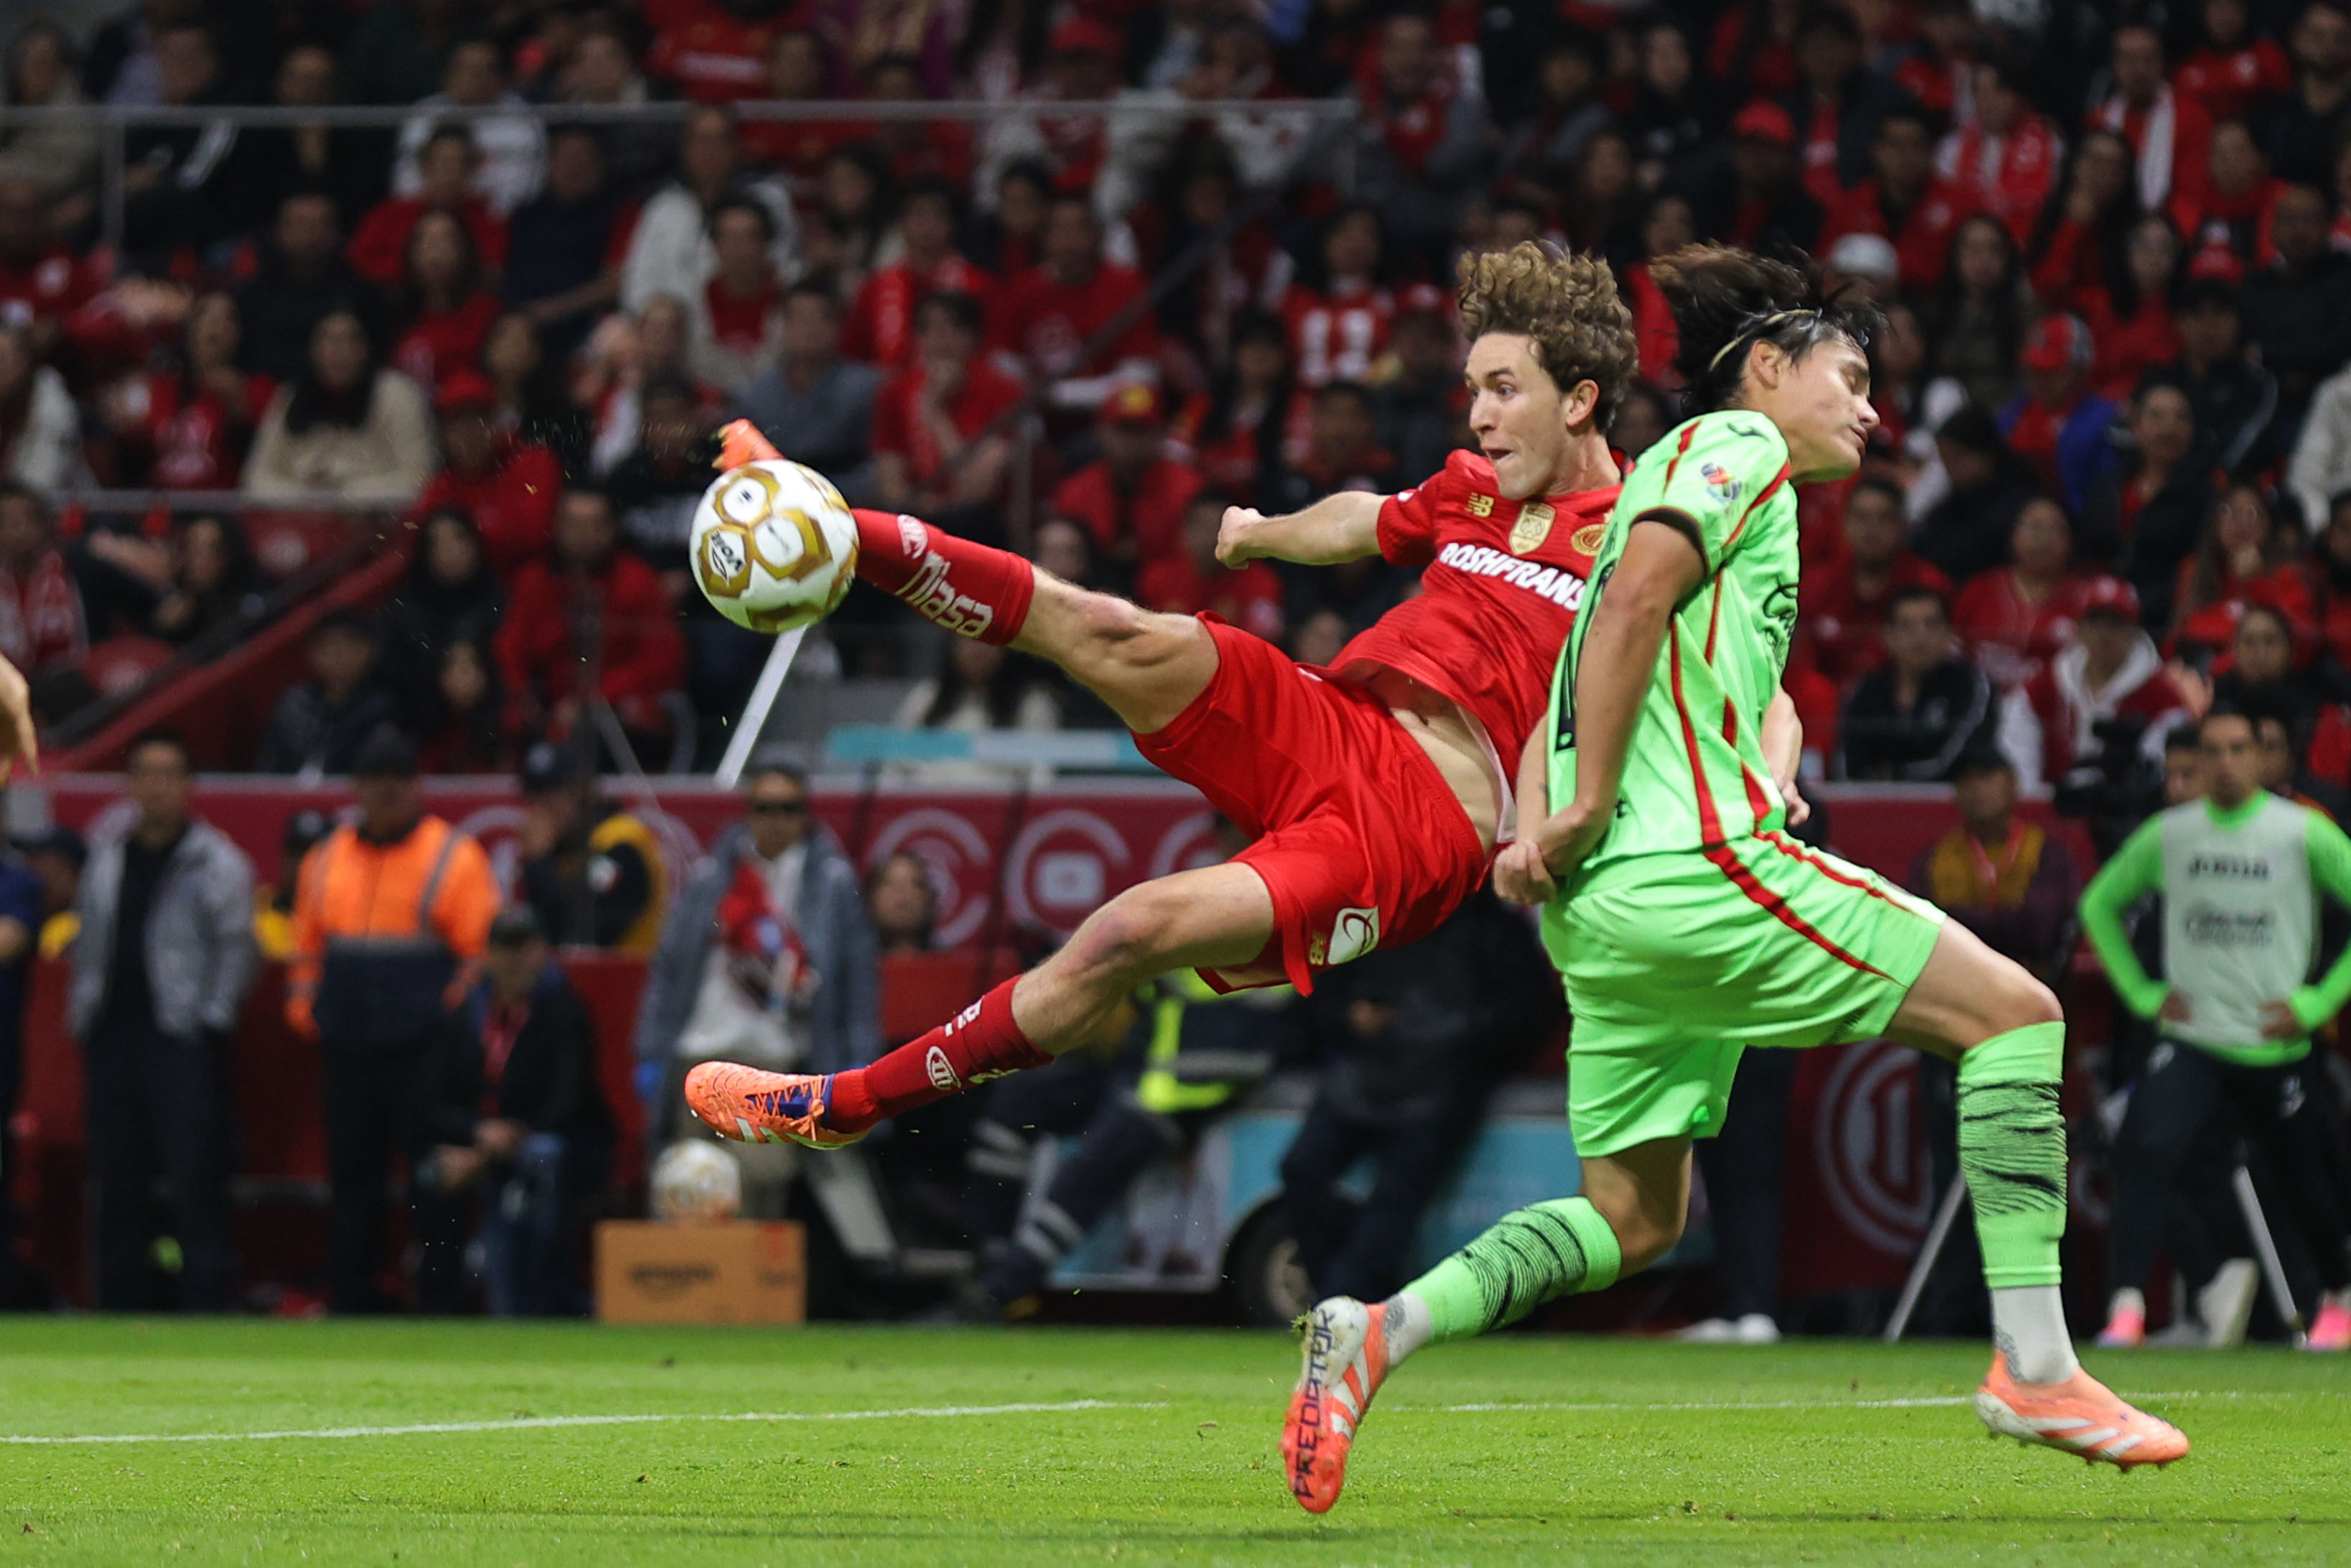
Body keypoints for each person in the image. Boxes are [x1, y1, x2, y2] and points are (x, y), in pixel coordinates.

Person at [1281, 243, 2189, 1515]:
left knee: (1633, 1217)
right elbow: (1631, 602)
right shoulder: (1733, 446)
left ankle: (1376, 1328)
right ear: (1766, 368)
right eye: (1851, 375)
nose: (1871, 409)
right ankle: (2036, 1364)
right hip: (1686, 869)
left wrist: (1557, 824)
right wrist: (1591, 799)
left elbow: (1600, 665)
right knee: (2019, 1017)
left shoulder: (1681, 475)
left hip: (1604, 916)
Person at [683, 242, 1633, 1202]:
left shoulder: (1647, 535)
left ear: (1580, 400)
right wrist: (1267, 532)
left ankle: (845, 1104)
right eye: (1473, 388)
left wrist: (1735, 775)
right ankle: (833, 527)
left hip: (1410, 832)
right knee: (1112, 627)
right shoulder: (1475, 485)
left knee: (1126, 932)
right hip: (1335, 715)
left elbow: (1727, 684)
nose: (1476, 414)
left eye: (1502, 389)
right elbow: (1370, 517)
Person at [2080, 708, 2351, 1353]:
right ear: (2195, 762)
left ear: (2261, 757)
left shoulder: (2301, 832)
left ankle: (2337, 1300)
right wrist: (2144, 994)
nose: (2226, 762)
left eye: (2239, 748)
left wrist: (2317, 1003)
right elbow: (2098, 904)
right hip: (2193, 1039)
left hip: (2273, 1042)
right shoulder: (2170, 834)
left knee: (2306, 1178)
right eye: (2213, 751)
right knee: (2143, 1153)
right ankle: (2126, 1310)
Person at [287, 728, 499, 1313]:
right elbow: (306, 948)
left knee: (433, 1180)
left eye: (395, 782)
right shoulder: (327, 856)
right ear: (356, 787)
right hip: (348, 1044)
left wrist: (447, 1024)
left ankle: (439, 1300)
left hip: (423, 1049)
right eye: (372, 782)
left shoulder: (453, 856)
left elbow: (478, 956)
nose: (383, 793)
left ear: (415, 786)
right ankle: (351, 1300)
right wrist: (308, 1013)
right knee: (352, 1180)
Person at [1283, 887, 1553, 1307]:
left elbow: (1532, 1012)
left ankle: (1341, 1301)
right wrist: (1350, 1016)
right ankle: (1343, 1293)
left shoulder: (1491, 926)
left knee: (1393, 1201)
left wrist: (1463, 1044)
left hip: (1441, 1088)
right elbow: (1322, 996)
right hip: (1362, 1076)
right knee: (1300, 1170)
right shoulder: (1377, 914)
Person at [69, 732, 257, 1312]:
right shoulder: (106, 857)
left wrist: (212, 1017)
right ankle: (122, 1299)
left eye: (168, 773)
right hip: (113, 1033)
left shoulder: (216, 860)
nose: (156, 785)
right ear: (130, 785)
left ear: (188, 786)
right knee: (118, 1175)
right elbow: (89, 940)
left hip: (179, 1037)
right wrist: (84, 1013)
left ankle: (205, 1300)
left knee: (194, 1172)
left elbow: (238, 947)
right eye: (145, 773)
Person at [1903, 748, 2085, 1335]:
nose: (1978, 790)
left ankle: (2044, 1319)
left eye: (1988, 775)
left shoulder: (2046, 854)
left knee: (2030, 1172)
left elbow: (2041, 924)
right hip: (1948, 1037)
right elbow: (1914, 930)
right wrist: (2000, 925)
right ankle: (1951, 1317)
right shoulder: (1936, 858)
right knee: (1949, 1174)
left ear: (2011, 783)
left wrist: (1961, 926)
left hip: (2028, 1037)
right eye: (1966, 780)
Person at [634, 758, 877, 1141]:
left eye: (788, 808)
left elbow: (859, 981)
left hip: (778, 1061)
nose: (775, 819)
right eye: (764, 808)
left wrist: (860, 1056)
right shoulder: (712, 878)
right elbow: (670, 968)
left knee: (760, 1181)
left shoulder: (832, 886)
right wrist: (651, 1050)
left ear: (805, 815)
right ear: (747, 814)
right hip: (703, 1051)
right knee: (692, 1179)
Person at [413, 906, 614, 1317]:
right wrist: (476, 1134)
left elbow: (569, 1102)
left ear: (542, 952)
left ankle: (541, 1301)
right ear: (488, 954)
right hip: (481, 1143)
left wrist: (498, 1145)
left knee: (540, 1159)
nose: (515, 960)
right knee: (431, 1171)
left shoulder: (564, 1010)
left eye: (525, 949)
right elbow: (429, 1100)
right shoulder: (464, 1014)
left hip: (554, 1144)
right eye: (506, 949)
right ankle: (439, 1305)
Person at [2001, 575, 2197, 791]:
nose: (2105, 635)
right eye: (2095, 622)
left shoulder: (2161, 698)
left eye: (2116, 624)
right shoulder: (2041, 690)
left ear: (2133, 630)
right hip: (2050, 811)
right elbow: (2019, 770)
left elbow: (2159, 772)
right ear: (2079, 628)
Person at [241, 311, 435, 503]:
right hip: (302, 522)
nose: (339, 350)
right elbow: (255, 477)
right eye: (329, 340)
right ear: (313, 348)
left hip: (380, 525)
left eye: (351, 340)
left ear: (366, 348)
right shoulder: (290, 396)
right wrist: (307, 497)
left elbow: (419, 479)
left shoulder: (397, 395)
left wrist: (345, 493)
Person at [514, 741, 664, 953]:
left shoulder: (620, 844)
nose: (543, 811)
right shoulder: (561, 852)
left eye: (553, 798)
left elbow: (585, 931)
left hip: (630, 981)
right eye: (536, 799)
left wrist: (539, 864)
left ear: (582, 793)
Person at [1837, 587, 2000, 781]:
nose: (1920, 638)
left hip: (1950, 805)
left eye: (1931, 625)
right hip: (1873, 805)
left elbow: (1962, 758)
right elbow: (1851, 762)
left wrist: (1895, 777)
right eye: (1907, 626)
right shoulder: (1865, 691)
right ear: (1888, 636)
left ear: (1949, 633)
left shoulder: (1970, 685)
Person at [254, 611, 401, 778]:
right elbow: (268, 766)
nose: (339, 654)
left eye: (349, 644)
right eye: (328, 645)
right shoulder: (294, 703)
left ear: (369, 650)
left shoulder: (382, 707)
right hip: (288, 797)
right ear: (312, 653)